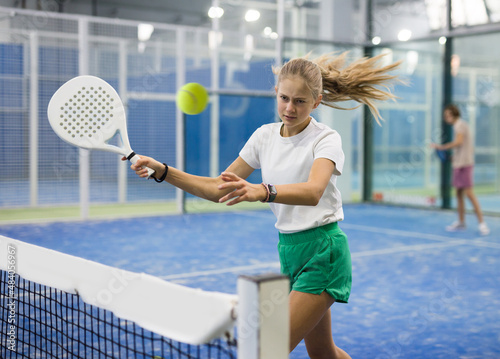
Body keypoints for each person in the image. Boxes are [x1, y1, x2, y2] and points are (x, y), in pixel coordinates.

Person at [126, 52, 400, 358]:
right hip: (290, 252)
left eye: (300, 101)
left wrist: (262, 191)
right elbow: (219, 189)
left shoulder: (326, 139)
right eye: (284, 98)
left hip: (325, 251)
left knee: (268, 348)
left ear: (317, 102)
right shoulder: (263, 137)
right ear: (276, 93)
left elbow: (313, 191)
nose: (289, 108)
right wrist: (163, 171)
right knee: (324, 354)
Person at [431, 104, 490, 236]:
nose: (445, 118)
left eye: (447, 115)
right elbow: (461, 147)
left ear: (453, 114)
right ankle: (461, 222)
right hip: (459, 164)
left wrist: (442, 147)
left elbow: (459, 142)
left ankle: (482, 223)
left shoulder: (459, 125)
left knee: (469, 194)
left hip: (465, 165)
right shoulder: (458, 125)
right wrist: (454, 157)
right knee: (458, 194)